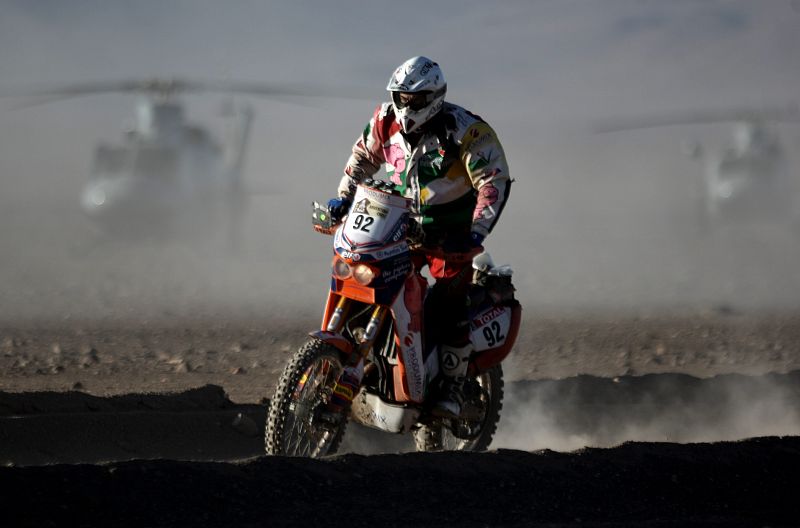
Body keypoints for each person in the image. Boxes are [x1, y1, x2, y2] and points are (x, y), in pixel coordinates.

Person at [327, 56, 511, 418]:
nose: (406, 106)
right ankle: (369, 362)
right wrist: (343, 197)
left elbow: (493, 181)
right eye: (400, 96)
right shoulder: (384, 121)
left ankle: (453, 388)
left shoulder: (466, 130)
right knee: (369, 279)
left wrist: (474, 233)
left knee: (449, 302)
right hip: (399, 223)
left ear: (435, 97)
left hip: (452, 231)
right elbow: (362, 158)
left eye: (415, 99)